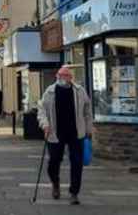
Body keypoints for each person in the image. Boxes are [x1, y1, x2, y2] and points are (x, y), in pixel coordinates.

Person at [37, 66, 93, 205]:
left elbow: (87, 110)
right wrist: (45, 125)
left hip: (76, 132)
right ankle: (55, 183)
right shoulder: (49, 92)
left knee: (77, 163)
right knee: (54, 162)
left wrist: (89, 128)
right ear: (57, 76)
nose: (62, 78)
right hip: (55, 133)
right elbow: (41, 110)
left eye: (66, 75)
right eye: (60, 75)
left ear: (70, 77)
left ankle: (74, 193)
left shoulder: (79, 91)